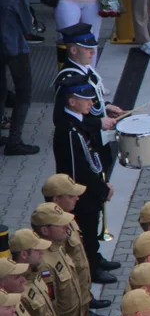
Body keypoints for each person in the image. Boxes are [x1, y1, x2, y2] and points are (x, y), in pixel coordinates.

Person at [54, 77, 115, 290]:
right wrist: (101, 189)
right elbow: (76, 170)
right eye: (85, 99)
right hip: (80, 194)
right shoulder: (69, 131)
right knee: (86, 232)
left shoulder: (79, 122)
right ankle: (89, 273)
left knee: (92, 228)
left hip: (89, 190)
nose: (91, 103)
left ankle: (95, 260)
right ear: (72, 102)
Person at [53, 23, 123, 176]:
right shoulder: (68, 79)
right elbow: (61, 118)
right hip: (86, 142)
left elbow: (90, 100)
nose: (92, 52)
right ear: (73, 50)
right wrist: (98, 122)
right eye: (87, 48)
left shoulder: (85, 69)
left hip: (97, 138)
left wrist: (106, 107)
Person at [42, 172, 118, 292]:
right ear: (56, 199)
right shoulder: (53, 229)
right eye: (70, 196)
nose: (77, 198)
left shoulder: (69, 219)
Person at [0, 0, 36, 155]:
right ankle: (15, 140)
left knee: (1, 90)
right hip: (14, 48)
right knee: (24, 92)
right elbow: (27, 27)